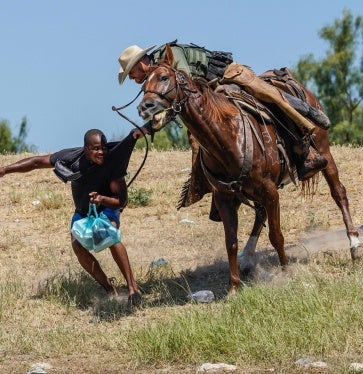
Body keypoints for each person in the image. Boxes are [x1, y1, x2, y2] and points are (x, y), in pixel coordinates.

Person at [118, 42, 330, 218]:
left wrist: (149, 126)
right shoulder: (155, 78)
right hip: (209, 95)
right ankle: (218, 188)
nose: (131, 78)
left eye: (131, 72)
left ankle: (304, 137)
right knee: (202, 139)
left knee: (268, 97)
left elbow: (185, 89)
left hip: (227, 78)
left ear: (141, 62)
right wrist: (148, 126)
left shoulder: (168, 56)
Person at [0, 129, 141, 304]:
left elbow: (122, 202)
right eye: (96, 148)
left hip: (107, 208)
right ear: (86, 148)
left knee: (108, 234)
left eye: (104, 147)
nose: (102, 152)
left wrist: (102, 199)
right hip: (82, 212)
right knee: (77, 246)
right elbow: (37, 162)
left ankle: (133, 288)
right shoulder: (71, 157)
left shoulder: (112, 162)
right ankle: (109, 288)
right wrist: (5, 169)